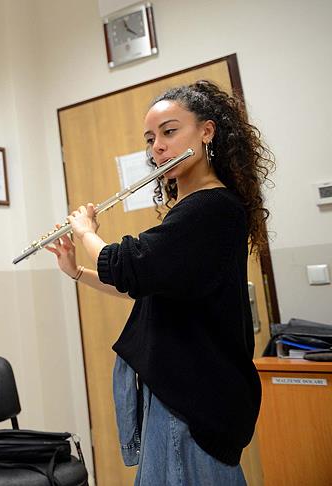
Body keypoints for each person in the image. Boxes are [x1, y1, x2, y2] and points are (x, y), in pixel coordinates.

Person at [46, 80, 273, 485]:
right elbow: (143, 286)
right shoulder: (191, 210)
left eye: (169, 132)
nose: (158, 148)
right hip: (179, 392)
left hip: (192, 397)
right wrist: (76, 271)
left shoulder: (211, 208)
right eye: (151, 139)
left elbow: (127, 263)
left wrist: (86, 232)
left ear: (206, 132)